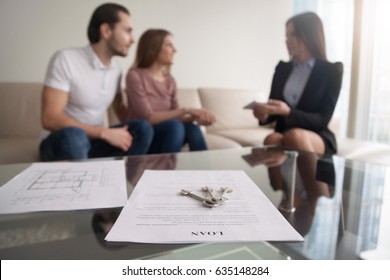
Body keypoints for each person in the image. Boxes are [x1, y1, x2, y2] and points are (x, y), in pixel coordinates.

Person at [40, 3, 153, 161]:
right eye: (128, 31)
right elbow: (50, 118)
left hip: (94, 142)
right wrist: (104, 132)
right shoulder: (65, 59)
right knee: (75, 135)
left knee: (142, 128)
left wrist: (152, 113)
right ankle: (88, 184)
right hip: (60, 141)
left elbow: (122, 111)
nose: (133, 40)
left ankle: (129, 182)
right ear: (106, 31)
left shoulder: (116, 69)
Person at [253, 12, 343, 155]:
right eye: (286, 36)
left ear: (309, 35)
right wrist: (265, 114)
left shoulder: (331, 71)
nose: (287, 40)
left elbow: (322, 119)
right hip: (283, 132)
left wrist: (288, 112)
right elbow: (275, 109)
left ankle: (312, 179)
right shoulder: (282, 68)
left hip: (317, 135)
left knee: (295, 136)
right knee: (272, 139)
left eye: (293, 35)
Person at [125, 29, 216, 154]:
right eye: (168, 44)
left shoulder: (170, 80)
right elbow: (147, 118)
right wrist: (187, 110)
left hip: (171, 133)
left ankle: (206, 172)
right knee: (175, 126)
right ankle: (167, 173)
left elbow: (177, 116)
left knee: (192, 128)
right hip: (145, 137)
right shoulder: (135, 75)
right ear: (152, 48)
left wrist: (196, 117)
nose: (175, 49)